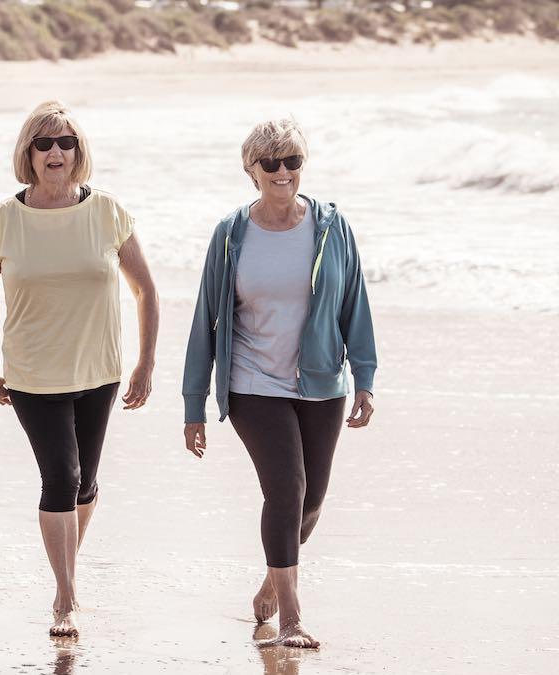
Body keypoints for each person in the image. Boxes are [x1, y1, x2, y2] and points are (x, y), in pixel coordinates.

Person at [0, 101, 159, 639]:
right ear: (29, 153)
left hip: (99, 372)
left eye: (65, 142)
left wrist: (144, 364)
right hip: (32, 375)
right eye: (44, 143)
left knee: (87, 485)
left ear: (79, 151)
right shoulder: (6, 217)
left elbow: (145, 290)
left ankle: (64, 569)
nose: (55, 152)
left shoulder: (108, 211)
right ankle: (67, 596)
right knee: (62, 478)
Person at [181, 117, 377, 649]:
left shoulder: (332, 228)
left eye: (292, 161)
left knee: (312, 499)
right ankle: (291, 616)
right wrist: (193, 403)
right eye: (270, 162)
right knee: (286, 489)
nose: (282, 171)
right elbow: (206, 319)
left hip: (321, 382)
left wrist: (366, 376)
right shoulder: (232, 234)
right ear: (251, 169)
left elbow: (354, 303)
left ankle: (273, 577)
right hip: (252, 382)